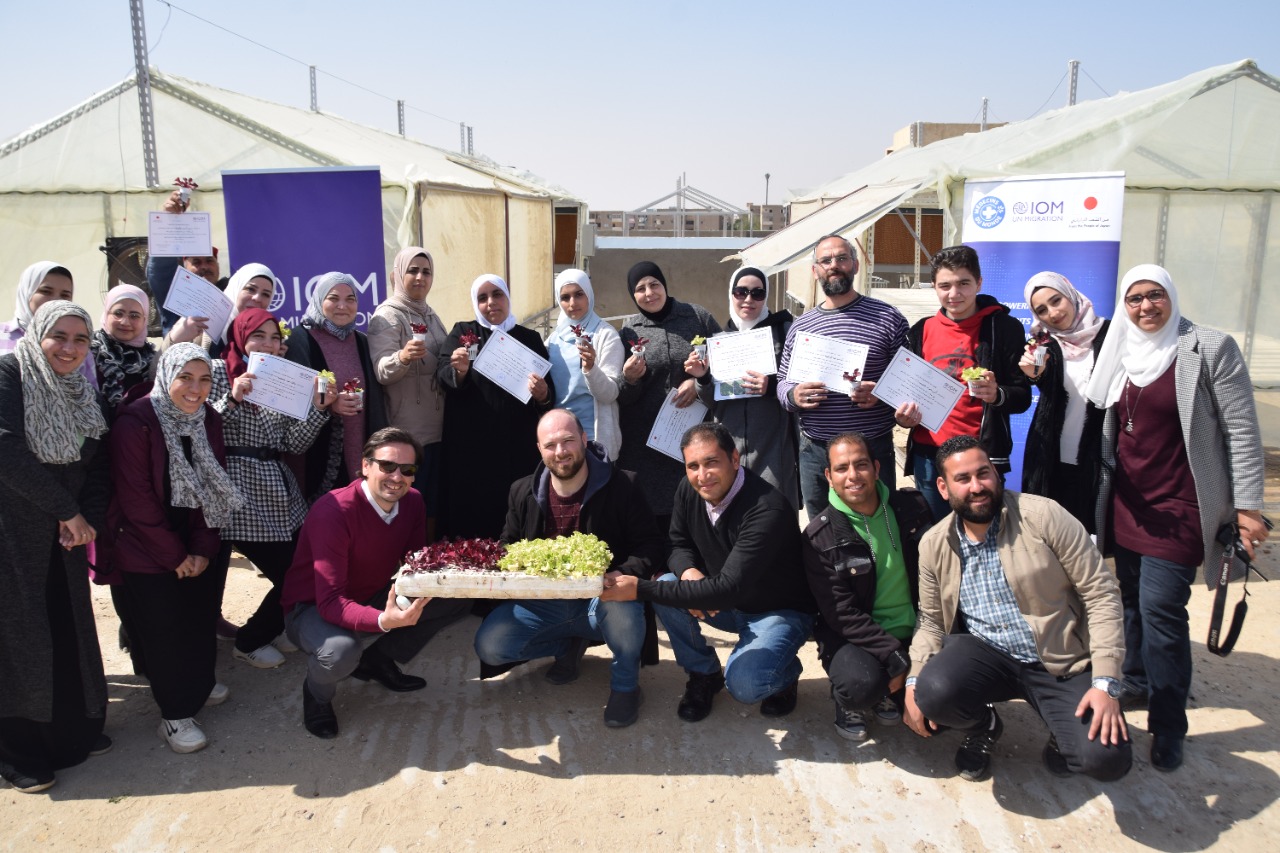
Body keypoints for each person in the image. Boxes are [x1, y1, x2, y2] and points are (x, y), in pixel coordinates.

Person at [1086, 264, 1267, 772]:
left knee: (1162, 611)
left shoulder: (1209, 348)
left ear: (1171, 297)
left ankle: (1169, 725)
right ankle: (1138, 680)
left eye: (1155, 296)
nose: (1146, 307)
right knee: (1129, 604)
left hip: (1182, 505)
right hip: (1128, 503)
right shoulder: (1121, 350)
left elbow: (1242, 432)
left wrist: (1249, 508)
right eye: (1135, 298)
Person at [903, 436, 1131, 783]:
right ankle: (984, 726)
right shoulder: (934, 544)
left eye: (984, 474)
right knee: (932, 693)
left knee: (1104, 759)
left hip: (1059, 660)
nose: (977, 487)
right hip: (985, 657)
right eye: (962, 479)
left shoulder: (1044, 516)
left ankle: (1061, 730)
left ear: (997, 473)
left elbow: (1101, 594)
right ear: (943, 488)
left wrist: (1106, 682)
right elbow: (932, 620)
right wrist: (915, 677)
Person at [601, 423, 816, 722]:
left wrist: (638, 587)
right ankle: (703, 673)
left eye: (712, 462)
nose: (702, 476)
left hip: (777, 611)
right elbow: (676, 542)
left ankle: (785, 673)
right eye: (693, 466)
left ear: (734, 458)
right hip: (724, 601)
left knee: (747, 685)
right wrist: (689, 572)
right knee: (668, 584)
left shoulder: (767, 508)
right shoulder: (690, 490)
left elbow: (728, 588)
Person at [474, 409, 664, 727]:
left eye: (568, 441)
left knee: (622, 607)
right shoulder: (522, 491)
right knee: (490, 646)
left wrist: (622, 573)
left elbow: (651, 545)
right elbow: (507, 547)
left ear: (584, 440)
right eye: (550, 445)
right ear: (539, 449)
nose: (560, 452)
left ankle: (625, 687)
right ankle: (567, 645)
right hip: (544, 606)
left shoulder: (623, 485)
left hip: (600, 602)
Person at [279, 428, 471, 739]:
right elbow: (329, 601)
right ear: (365, 465)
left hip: (372, 593)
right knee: (340, 653)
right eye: (387, 466)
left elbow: (414, 563)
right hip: (311, 607)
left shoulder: (413, 502)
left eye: (407, 470)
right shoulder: (333, 511)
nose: (397, 477)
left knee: (456, 597)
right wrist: (384, 620)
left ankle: (377, 661)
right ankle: (317, 696)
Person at [106, 344, 245, 754]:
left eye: (204, 380)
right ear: (166, 376)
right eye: (185, 377)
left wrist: (202, 547)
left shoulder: (208, 419)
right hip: (145, 542)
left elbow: (212, 482)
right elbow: (136, 500)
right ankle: (175, 714)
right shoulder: (136, 423)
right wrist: (175, 556)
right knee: (163, 628)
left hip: (196, 531)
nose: (195, 389)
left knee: (198, 615)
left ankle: (198, 682)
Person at [0, 301, 111, 793]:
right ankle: (16, 752)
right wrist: (67, 511)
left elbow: (99, 463)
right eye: (58, 336)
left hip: (65, 534)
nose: (69, 348)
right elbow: (5, 448)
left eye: (80, 339)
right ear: (38, 333)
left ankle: (69, 733)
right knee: (19, 640)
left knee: (66, 629)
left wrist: (86, 519)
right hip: (13, 535)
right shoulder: (9, 373)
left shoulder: (82, 392)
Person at [211, 308, 335, 669]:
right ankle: (250, 640)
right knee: (288, 572)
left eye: (274, 338)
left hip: (277, 486)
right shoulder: (220, 372)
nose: (267, 344)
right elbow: (203, 428)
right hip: (239, 488)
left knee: (305, 567)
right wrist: (233, 398)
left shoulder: (280, 379)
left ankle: (274, 627)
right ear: (241, 339)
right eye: (258, 337)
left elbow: (293, 443)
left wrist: (317, 410)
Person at [801, 433, 933, 742]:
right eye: (842, 468)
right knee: (860, 685)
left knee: (944, 699)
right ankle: (854, 701)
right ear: (829, 477)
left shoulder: (912, 506)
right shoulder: (819, 536)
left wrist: (922, 648)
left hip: (917, 631)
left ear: (876, 467)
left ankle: (893, 688)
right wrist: (894, 657)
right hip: (856, 637)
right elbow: (841, 615)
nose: (853, 475)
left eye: (861, 465)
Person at [777, 235, 909, 519]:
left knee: (880, 528)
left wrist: (881, 391)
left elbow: (908, 384)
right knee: (824, 539)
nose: (833, 266)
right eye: (825, 260)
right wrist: (793, 395)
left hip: (871, 448)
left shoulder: (888, 318)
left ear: (856, 265)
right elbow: (782, 384)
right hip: (816, 452)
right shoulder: (801, 326)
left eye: (841, 258)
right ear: (815, 271)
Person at [901, 246, 1031, 520]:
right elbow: (907, 396)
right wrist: (904, 418)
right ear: (934, 287)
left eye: (963, 283)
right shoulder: (920, 330)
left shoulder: (1004, 328)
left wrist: (997, 394)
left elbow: (1022, 397)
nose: (954, 294)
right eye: (945, 285)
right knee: (939, 536)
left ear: (979, 283)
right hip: (929, 455)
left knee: (985, 535)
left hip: (980, 455)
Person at [436, 274, 554, 539]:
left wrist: (543, 393)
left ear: (508, 298)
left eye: (497, 294)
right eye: (482, 297)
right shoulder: (462, 333)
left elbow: (549, 393)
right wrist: (460, 371)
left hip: (518, 446)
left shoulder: (530, 338)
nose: (491, 303)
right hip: (472, 447)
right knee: (472, 516)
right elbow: (443, 375)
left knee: (518, 511)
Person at [617, 261, 720, 531]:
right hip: (645, 443)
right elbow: (622, 396)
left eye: (654, 284)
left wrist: (697, 382)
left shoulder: (697, 317)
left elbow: (725, 358)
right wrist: (630, 378)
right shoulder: (628, 332)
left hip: (693, 435)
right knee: (651, 521)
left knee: (696, 512)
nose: (649, 293)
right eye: (640, 289)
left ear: (665, 285)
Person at [686, 265, 799, 508]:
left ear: (766, 297)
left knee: (775, 517)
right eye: (741, 292)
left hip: (773, 451)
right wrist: (702, 378)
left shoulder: (784, 332)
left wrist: (771, 387)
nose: (749, 300)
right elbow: (712, 400)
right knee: (734, 517)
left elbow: (798, 387)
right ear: (731, 294)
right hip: (730, 449)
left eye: (757, 293)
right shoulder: (719, 341)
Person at [283, 272, 389, 503]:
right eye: (333, 298)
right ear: (319, 300)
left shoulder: (361, 341)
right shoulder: (299, 340)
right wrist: (331, 406)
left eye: (350, 299)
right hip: (318, 457)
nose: (343, 306)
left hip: (359, 446)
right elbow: (290, 404)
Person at [1018, 272, 1110, 532]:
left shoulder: (1111, 335)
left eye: (1056, 300)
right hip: (1053, 459)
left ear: (1070, 293)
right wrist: (1036, 376)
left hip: (1101, 459)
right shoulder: (1043, 344)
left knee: (1097, 542)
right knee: (1055, 541)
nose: (1053, 313)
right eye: (1042, 310)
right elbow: (1048, 393)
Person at [368, 248, 448, 539]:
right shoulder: (387, 316)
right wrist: (402, 357)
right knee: (408, 507)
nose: (419, 277)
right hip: (408, 434)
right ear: (398, 275)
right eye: (412, 270)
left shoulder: (431, 314)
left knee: (432, 508)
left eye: (426, 272)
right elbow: (381, 371)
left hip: (439, 430)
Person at [545, 269, 624, 461]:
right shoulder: (552, 341)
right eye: (565, 297)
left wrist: (590, 368)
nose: (572, 303)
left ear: (589, 294)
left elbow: (609, 393)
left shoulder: (605, 335)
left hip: (594, 439)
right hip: (560, 440)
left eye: (579, 294)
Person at [146, 189, 226, 338]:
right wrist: (168, 220)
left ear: (218, 266)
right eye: (196, 262)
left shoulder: (229, 294)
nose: (204, 266)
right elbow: (159, 269)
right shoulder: (174, 293)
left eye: (209, 261)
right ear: (184, 267)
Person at [1, 261, 96, 385]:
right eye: (46, 291)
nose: (55, 300)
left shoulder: (78, 344)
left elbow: (90, 396)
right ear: (27, 292)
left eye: (64, 295)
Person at [165, 263, 278, 357]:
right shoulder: (198, 323)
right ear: (236, 288)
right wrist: (175, 340)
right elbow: (157, 373)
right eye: (250, 289)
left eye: (266, 294)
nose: (257, 298)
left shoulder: (271, 338)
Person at [91, 284, 159, 412]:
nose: (125, 322)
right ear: (106, 313)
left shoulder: (152, 359)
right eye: (118, 313)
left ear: (145, 319)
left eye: (134, 316)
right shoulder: (90, 352)